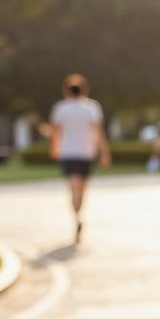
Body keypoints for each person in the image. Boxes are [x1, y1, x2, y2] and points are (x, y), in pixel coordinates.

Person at [48, 74, 111, 243]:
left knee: (74, 188)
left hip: (68, 153)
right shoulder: (91, 108)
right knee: (82, 188)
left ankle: (77, 216)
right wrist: (104, 153)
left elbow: (55, 131)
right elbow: (99, 132)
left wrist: (54, 147)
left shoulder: (61, 108)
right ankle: (79, 214)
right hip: (86, 153)